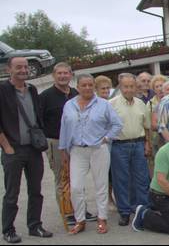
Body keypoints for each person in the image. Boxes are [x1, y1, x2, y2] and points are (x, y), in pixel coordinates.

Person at [60, 73, 123, 235]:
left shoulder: (103, 104)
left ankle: (102, 218)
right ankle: (80, 219)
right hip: (77, 150)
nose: (87, 88)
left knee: (101, 185)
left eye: (90, 85)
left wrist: (107, 138)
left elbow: (117, 124)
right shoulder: (69, 105)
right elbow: (64, 128)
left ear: (94, 87)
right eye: (84, 85)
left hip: (98, 149)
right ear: (78, 87)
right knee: (75, 187)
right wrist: (63, 151)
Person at [0, 57, 53, 243]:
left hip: (33, 149)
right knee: (12, 193)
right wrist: (6, 147)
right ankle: (8, 230)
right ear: (9, 69)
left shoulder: (32, 90)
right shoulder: (2, 89)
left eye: (25, 67)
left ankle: (35, 226)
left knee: (36, 191)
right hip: (13, 149)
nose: (23, 70)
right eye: (18, 67)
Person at [109, 73, 152, 226]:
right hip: (119, 145)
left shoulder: (141, 103)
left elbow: (146, 126)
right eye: (125, 86)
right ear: (120, 87)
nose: (129, 89)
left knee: (142, 178)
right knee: (121, 180)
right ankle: (125, 212)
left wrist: (147, 144)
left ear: (136, 87)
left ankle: (142, 210)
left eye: (132, 86)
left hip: (139, 144)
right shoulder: (111, 104)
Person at [39, 62, 79, 225]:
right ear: (54, 76)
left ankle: (78, 207)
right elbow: (38, 120)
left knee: (76, 177)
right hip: (55, 142)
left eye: (66, 73)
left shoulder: (76, 93)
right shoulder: (45, 96)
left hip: (76, 143)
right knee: (62, 178)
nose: (63, 76)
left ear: (71, 75)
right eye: (59, 73)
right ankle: (67, 211)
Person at [146, 75, 167, 171]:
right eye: (157, 86)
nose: (160, 89)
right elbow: (148, 124)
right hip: (157, 139)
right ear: (153, 89)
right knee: (159, 165)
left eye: (161, 85)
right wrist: (148, 142)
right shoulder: (150, 103)